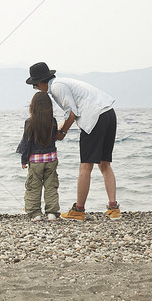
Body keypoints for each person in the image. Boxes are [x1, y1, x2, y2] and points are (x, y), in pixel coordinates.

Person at [26, 62, 121, 221]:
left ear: (41, 82)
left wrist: (62, 132)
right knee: (104, 163)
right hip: (109, 113)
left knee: (85, 165)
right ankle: (114, 209)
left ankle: (79, 210)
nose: (37, 89)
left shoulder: (57, 87)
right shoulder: (63, 82)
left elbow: (72, 113)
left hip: (94, 118)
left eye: (35, 86)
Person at [17, 92, 60, 221]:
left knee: (33, 186)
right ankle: (52, 212)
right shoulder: (52, 121)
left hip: (35, 160)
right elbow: (54, 139)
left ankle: (35, 213)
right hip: (51, 158)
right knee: (51, 185)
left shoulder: (30, 122)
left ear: (33, 106)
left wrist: (24, 160)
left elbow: (26, 142)